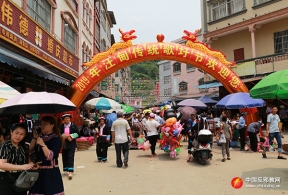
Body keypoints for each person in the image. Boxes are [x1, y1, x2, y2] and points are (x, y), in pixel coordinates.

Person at [29, 116, 64, 194]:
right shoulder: (41, 137)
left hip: (50, 173)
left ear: (52, 125)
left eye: (45, 124)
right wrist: (34, 138)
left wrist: (42, 144)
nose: (42, 126)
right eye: (41, 124)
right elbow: (30, 151)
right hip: (38, 172)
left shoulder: (56, 139)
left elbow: (50, 156)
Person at [0, 124, 34, 195]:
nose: (18, 136)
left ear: (24, 136)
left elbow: (29, 160)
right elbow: (2, 164)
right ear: (11, 132)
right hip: (6, 179)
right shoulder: (5, 146)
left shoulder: (23, 147)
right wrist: (21, 167)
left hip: (21, 179)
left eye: (22, 134)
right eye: (16, 133)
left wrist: (31, 165)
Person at [59, 113, 79, 179]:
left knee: (70, 157)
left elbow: (77, 133)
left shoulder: (73, 125)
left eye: (68, 118)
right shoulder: (61, 126)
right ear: (63, 120)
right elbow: (59, 133)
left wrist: (71, 136)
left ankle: (70, 171)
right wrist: (65, 136)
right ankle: (66, 169)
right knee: (64, 156)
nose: (67, 119)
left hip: (71, 143)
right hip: (64, 144)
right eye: (65, 118)